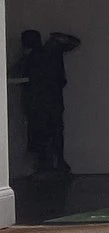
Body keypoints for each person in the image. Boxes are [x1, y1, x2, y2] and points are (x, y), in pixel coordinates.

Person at [11, 28, 80, 178]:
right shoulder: (51, 51)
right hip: (52, 102)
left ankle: (48, 165)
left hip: (38, 104)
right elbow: (74, 43)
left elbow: (14, 75)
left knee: (42, 134)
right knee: (54, 132)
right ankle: (56, 164)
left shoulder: (34, 57)